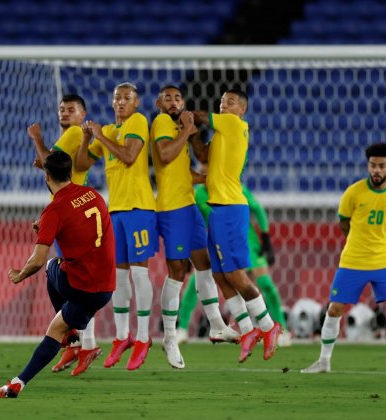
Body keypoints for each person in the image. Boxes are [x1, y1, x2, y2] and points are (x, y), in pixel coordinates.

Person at [0, 151, 116, 398]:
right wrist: (49, 229)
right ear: (70, 172)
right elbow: (83, 229)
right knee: (57, 327)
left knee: (50, 266)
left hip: (81, 287)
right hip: (105, 289)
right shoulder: (94, 195)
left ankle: (68, 340)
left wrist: (20, 275)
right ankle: (19, 381)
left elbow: (37, 260)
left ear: (46, 176)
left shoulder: (54, 210)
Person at [301, 142, 386, 376]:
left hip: (383, 260)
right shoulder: (354, 192)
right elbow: (343, 222)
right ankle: (323, 362)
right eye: (372, 165)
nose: (376, 170)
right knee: (335, 308)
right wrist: (357, 242)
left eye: (381, 166)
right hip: (353, 261)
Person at [189, 89, 282, 363]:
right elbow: (202, 153)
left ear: (242, 109)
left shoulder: (233, 124)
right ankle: (247, 329)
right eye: (221, 102)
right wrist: (192, 133)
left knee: (236, 274)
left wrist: (181, 115)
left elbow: (201, 116)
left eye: (230, 102)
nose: (224, 105)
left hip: (230, 208)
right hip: (219, 210)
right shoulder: (222, 135)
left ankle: (268, 326)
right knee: (220, 275)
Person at [150, 85, 239, 368]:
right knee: (177, 272)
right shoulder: (162, 122)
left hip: (188, 206)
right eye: (168, 97)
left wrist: (205, 178)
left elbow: (181, 169)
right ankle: (170, 338)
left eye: (178, 98)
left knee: (203, 263)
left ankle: (216, 324)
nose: (174, 102)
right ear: (159, 103)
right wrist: (187, 132)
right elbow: (164, 156)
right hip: (171, 209)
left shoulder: (179, 128)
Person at [76, 82, 158, 371]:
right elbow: (83, 162)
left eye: (127, 98)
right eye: (117, 98)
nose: (121, 102)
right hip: (117, 211)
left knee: (139, 272)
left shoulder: (138, 121)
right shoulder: (109, 131)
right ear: (112, 104)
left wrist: (100, 135)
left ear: (136, 103)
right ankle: (123, 336)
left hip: (139, 208)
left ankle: (144, 337)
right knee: (119, 278)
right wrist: (88, 138)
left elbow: (129, 156)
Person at [27, 94, 101, 376]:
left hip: (71, 211)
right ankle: (79, 343)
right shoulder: (70, 136)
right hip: (70, 209)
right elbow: (52, 165)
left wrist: (36, 138)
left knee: (74, 282)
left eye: (71, 109)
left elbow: (49, 162)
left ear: (82, 115)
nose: (65, 112)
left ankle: (82, 342)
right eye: (62, 109)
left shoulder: (72, 133)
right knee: (70, 281)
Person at [176, 183, 292, 347]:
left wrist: (266, 239)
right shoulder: (198, 194)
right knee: (198, 281)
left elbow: (257, 209)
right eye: (201, 164)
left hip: (246, 240)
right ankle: (182, 329)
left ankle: (282, 330)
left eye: (207, 164)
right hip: (217, 240)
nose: (204, 168)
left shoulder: (231, 186)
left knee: (265, 283)